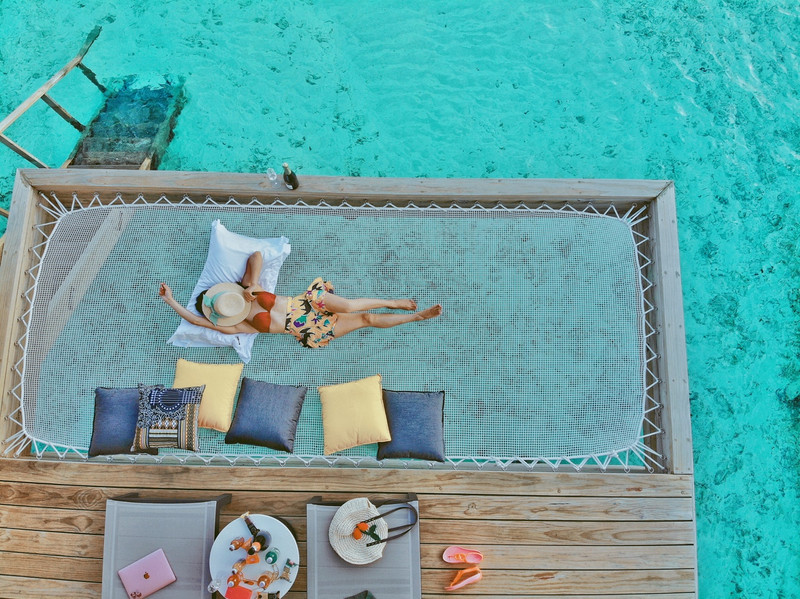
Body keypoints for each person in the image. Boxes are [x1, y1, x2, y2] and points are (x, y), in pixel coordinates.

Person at [159, 251, 443, 348]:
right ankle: (416, 317)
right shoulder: (238, 326)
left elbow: (256, 256)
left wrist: (252, 285)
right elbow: (198, 322)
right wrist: (171, 301)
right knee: (366, 319)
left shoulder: (246, 287)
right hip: (309, 329)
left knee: (347, 306)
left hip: (307, 303)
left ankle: (393, 302)